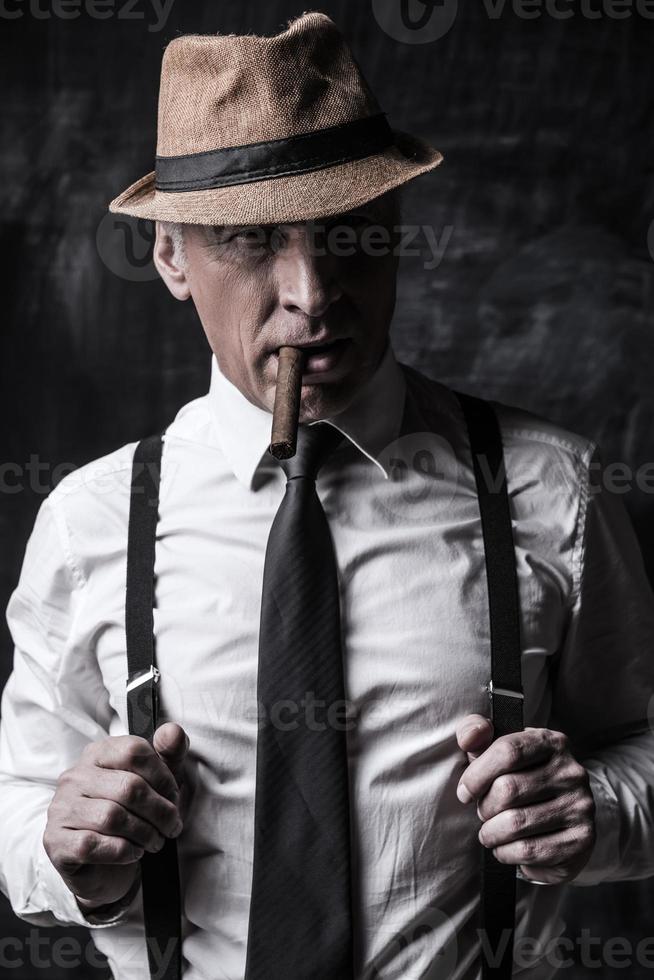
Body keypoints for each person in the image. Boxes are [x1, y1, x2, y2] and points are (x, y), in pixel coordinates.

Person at [1, 11, 654, 980]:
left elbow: (638, 740)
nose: (313, 289)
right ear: (172, 257)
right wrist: (71, 851)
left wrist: (600, 809)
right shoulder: (90, 520)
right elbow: (22, 824)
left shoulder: (551, 488)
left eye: (350, 232)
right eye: (255, 241)